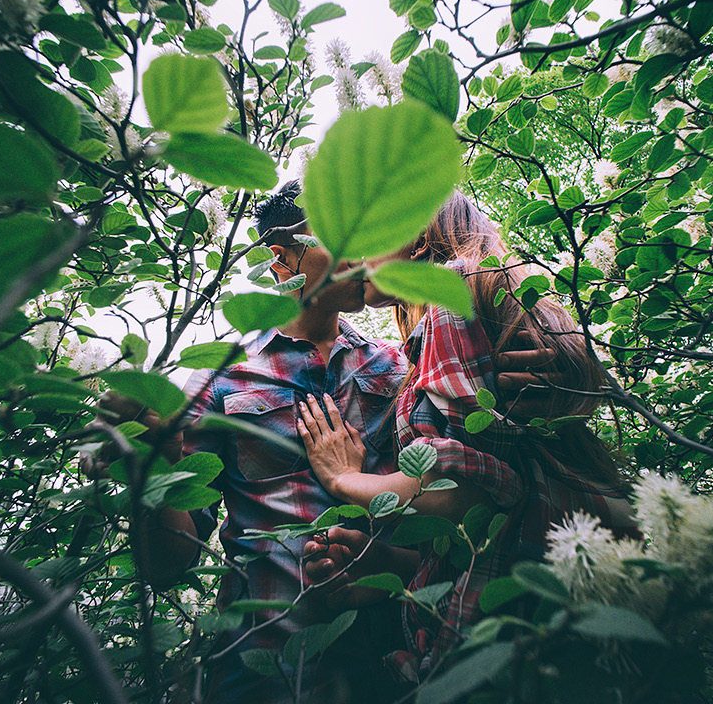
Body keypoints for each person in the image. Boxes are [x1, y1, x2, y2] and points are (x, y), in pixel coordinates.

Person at [116, 182, 564, 704]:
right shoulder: (218, 377)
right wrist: (149, 467)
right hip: (266, 667)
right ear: (281, 259)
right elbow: (168, 563)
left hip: (396, 662)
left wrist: (563, 382)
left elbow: (448, 508)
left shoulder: (400, 366)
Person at [296, 191, 639, 682]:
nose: (353, 256)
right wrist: (382, 572)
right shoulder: (458, 310)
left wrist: (346, 480)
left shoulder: (449, 295)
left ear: (413, 234)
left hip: (519, 646)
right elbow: (493, 518)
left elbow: (465, 491)